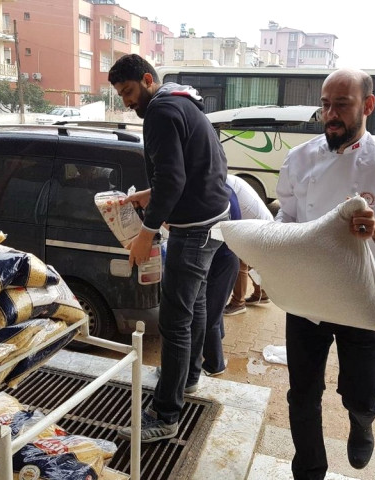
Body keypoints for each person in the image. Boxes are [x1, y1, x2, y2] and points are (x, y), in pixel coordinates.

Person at [275, 68, 375, 478]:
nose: (330, 115)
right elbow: (286, 214)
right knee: (302, 393)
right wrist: (275, 243)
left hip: (363, 297)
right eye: (325, 105)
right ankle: (309, 466)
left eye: (341, 105)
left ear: (368, 106)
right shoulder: (298, 158)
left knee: (360, 393)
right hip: (307, 297)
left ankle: (362, 421)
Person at [108, 54, 230, 443]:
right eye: (120, 95)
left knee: (175, 321)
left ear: (147, 79)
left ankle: (166, 414)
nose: (127, 102)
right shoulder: (183, 101)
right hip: (213, 221)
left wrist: (146, 233)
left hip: (192, 230)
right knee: (193, 307)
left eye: (128, 91)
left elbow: (172, 178)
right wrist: (148, 195)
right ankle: (188, 377)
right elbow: (191, 169)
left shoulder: (161, 111)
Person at [187, 174, 273, 381]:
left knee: (208, 315)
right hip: (226, 257)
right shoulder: (223, 186)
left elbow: (206, 232)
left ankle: (215, 364)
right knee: (212, 310)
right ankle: (217, 342)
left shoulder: (217, 193)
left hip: (225, 259)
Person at [223, 180, 274, 316]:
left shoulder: (222, 183)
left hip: (256, 226)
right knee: (251, 260)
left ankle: (238, 303)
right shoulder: (227, 178)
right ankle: (262, 293)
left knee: (239, 259)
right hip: (261, 223)